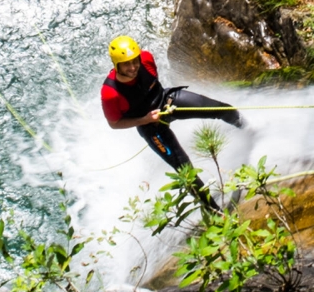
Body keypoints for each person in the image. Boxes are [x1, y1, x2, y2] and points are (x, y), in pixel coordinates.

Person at [101, 35, 243, 209]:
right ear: (116, 65)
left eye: (134, 61)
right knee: (185, 170)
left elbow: (152, 82)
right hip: (150, 126)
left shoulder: (146, 59)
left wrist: (163, 107)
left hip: (167, 101)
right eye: (126, 64)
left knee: (222, 109)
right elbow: (114, 123)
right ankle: (216, 213)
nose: (133, 67)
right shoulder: (111, 93)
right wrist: (144, 119)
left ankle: (250, 130)